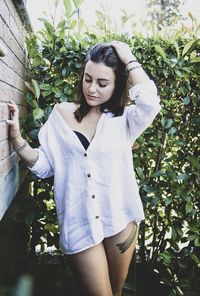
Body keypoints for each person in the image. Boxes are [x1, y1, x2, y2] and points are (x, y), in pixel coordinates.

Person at [7, 41, 161, 296]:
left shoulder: (125, 121)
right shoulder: (61, 115)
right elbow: (44, 165)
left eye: (102, 83)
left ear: (117, 84)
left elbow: (151, 103)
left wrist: (127, 56)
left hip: (120, 218)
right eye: (87, 79)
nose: (91, 88)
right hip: (79, 223)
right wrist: (16, 139)